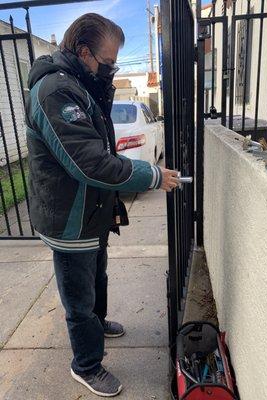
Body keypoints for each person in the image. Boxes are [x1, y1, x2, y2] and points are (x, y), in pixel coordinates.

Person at [25, 13, 179, 397]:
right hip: (70, 217)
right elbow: (89, 162)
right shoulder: (55, 91)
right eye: (108, 62)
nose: (111, 69)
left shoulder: (78, 83)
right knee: (78, 297)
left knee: (97, 278)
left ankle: (98, 320)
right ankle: (86, 365)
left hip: (91, 211)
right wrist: (154, 176)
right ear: (83, 52)